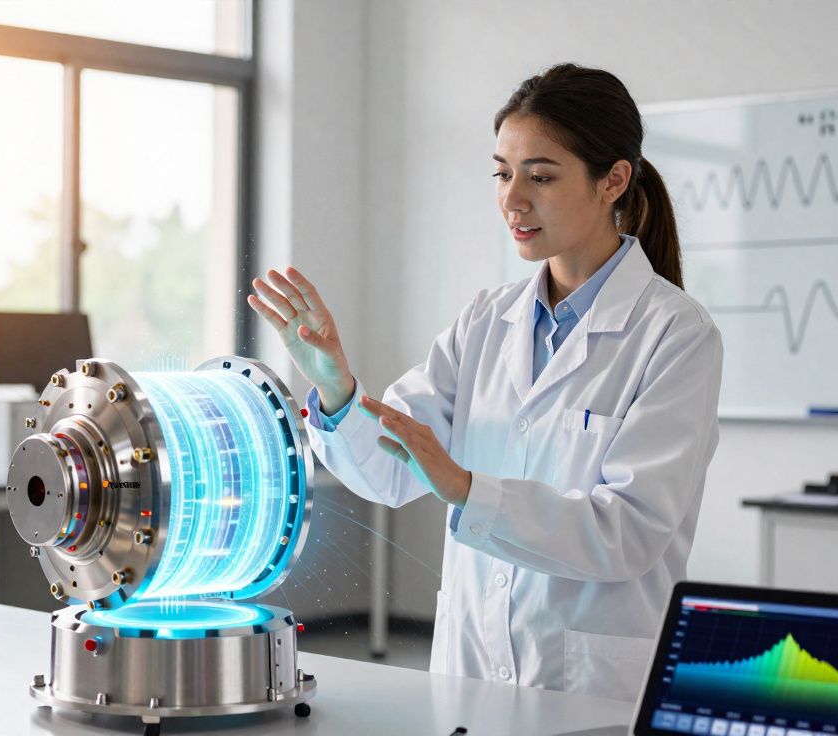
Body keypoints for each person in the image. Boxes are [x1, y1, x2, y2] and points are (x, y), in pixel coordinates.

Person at [247, 63, 723, 702]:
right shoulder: (485, 321)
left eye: (541, 176)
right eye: (502, 173)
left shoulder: (675, 333)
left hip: (593, 682)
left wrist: (466, 489)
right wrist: (336, 387)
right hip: (470, 667)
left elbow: (628, 534)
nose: (513, 199)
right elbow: (388, 473)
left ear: (613, 180)